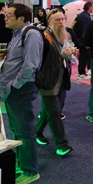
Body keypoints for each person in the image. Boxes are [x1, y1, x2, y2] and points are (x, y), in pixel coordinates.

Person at [0, 3, 42, 184]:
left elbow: (30, 65)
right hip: (12, 90)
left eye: (9, 15)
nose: (5, 18)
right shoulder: (17, 34)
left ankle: (30, 171)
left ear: (21, 18)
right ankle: (22, 163)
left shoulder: (31, 34)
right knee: (16, 129)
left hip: (21, 89)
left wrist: (15, 85)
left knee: (25, 131)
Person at [35, 9, 74, 156]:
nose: (61, 22)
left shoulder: (66, 35)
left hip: (61, 78)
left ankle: (36, 132)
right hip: (48, 80)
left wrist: (71, 53)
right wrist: (61, 55)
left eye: (63, 19)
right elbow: (43, 60)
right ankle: (61, 144)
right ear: (49, 21)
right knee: (54, 112)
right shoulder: (44, 37)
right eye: (57, 20)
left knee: (49, 110)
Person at [74, 2, 93, 79]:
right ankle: (81, 72)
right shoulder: (86, 17)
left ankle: (81, 71)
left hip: (80, 39)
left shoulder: (81, 15)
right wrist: (87, 42)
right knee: (84, 56)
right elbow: (86, 31)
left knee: (83, 56)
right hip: (83, 41)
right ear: (89, 8)